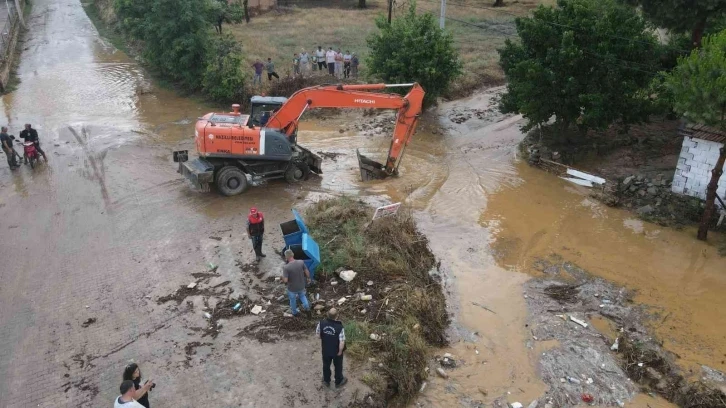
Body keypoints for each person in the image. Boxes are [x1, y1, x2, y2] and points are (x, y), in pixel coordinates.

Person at [316, 308, 348, 388]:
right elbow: (342, 341)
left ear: (327, 314)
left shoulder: (321, 323)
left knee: (326, 365)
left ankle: (326, 380)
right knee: (338, 366)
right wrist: (340, 351)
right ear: (336, 316)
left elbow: (318, 335)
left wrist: (326, 337)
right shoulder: (339, 327)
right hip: (336, 351)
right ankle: (339, 381)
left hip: (326, 350)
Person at [282, 249, 311, 316]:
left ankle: (294, 313)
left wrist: (283, 278)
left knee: (292, 300)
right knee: (303, 296)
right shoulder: (301, 262)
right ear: (293, 255)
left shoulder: (286, 267)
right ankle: (307, 308)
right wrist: (308, 278)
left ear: (286, 257)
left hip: (292, 288)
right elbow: (307, 271)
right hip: (301, 285)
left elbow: (285, 281)